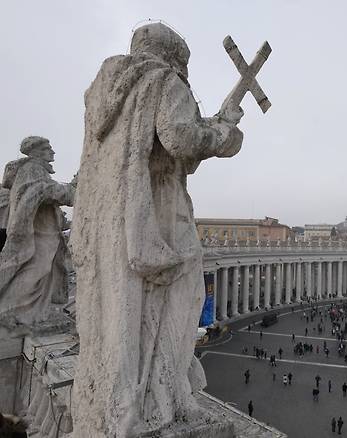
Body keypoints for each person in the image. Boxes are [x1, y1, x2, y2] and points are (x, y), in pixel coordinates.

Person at [70, 22, 244, 437]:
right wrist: (223, 133)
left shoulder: (107, 92)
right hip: (160, 210)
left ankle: (122, 404)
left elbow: (166, 148)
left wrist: (216, 120)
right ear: (175, 57)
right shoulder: (163, 80)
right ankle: (163, 398)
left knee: (120, 312)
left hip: (113, 217)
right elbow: (180, 139)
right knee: (181, 300)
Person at [0, 137, 75, 325]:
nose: (53, 153)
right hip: (37, 234)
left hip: (42, 232)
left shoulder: (35, 169)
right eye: (48, 148)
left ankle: (31, 311)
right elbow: (44, 191)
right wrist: (73, 189)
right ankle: (12, 310)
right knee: (35, 270)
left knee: (40, 271)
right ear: (35, 151)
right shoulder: (32, 168)